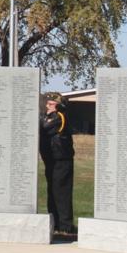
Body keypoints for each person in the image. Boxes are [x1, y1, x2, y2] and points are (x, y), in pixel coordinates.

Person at [40, 95, 76, 238]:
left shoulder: (60, 117)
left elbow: (46, 128)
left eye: (52, 104)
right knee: (52, 191)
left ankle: (65, 226)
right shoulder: (45, 116)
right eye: (47, 104)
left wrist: (45, 117)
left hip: (62, 159)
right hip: (51, 159)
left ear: (59, 106)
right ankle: (54, 222)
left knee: (61, 192)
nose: (48, 106)